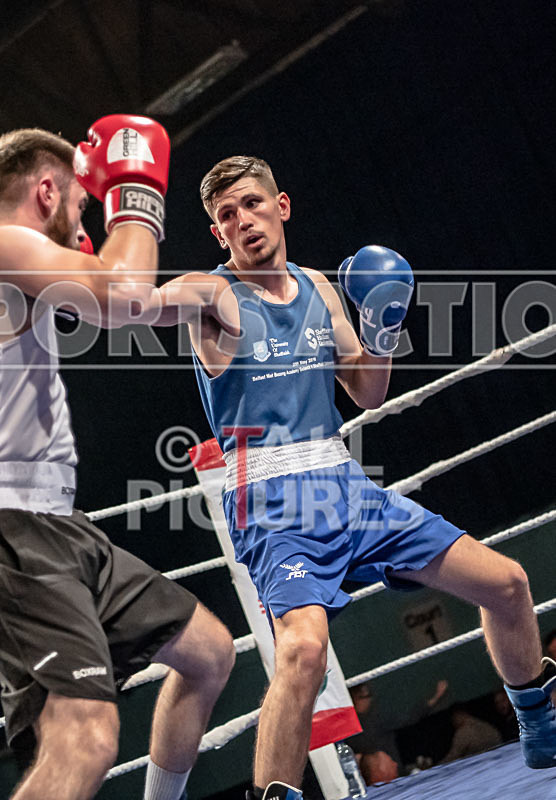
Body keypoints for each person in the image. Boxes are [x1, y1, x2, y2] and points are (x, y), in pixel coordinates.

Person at [149, 155, 556, 800]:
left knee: (507, 585)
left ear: (281, 206)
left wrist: (381, 329)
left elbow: (366, 391)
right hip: (271, 498)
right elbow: (140, 303)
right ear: (217, 233)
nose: (243, 220)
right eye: (227, 215)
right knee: (303, 652)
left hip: (345, 486)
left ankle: (539, 725)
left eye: (252, 203)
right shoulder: (212, 295)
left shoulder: (317, 286)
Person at [0, 118, 235, 800]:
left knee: (209, 653)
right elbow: (123, 293)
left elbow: (137, 302)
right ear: (47, 191)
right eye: (81, 205)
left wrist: (212, 294)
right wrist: (136, 192)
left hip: (53, 525)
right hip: (14, 530)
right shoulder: (6, 241)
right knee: (87, 737)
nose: (84, 225)